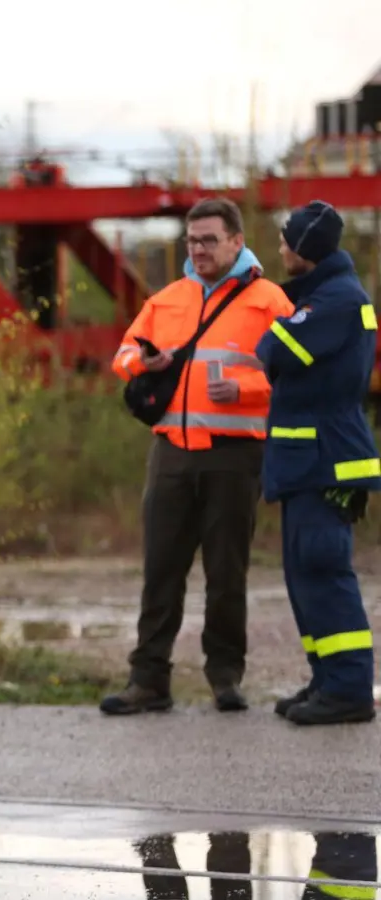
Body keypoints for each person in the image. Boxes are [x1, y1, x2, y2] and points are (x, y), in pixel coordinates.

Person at [103, 198, 295, 716]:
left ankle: (225, 677)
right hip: (170, 455)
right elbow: (121, 356)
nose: (199, 249)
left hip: (235, 456)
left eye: (209, 239)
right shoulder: (167, 300)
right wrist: (139, 362)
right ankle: (148, 680)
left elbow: (297, 379)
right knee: (160, 570)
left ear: (236, 241)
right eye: (192, 241)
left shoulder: (269, 301)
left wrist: (248, 391)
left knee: (226, 573)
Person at [258, 200, 380, 726]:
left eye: (287, 241)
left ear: (306, 249)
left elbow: (276, 350)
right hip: (306, 460)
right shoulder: (324, 294)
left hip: (324, 459)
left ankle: (350, 687)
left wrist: (281, 322)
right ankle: (327, 678)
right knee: (303, 573)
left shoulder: (336, 301)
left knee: (323, 571)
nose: (281, 248)